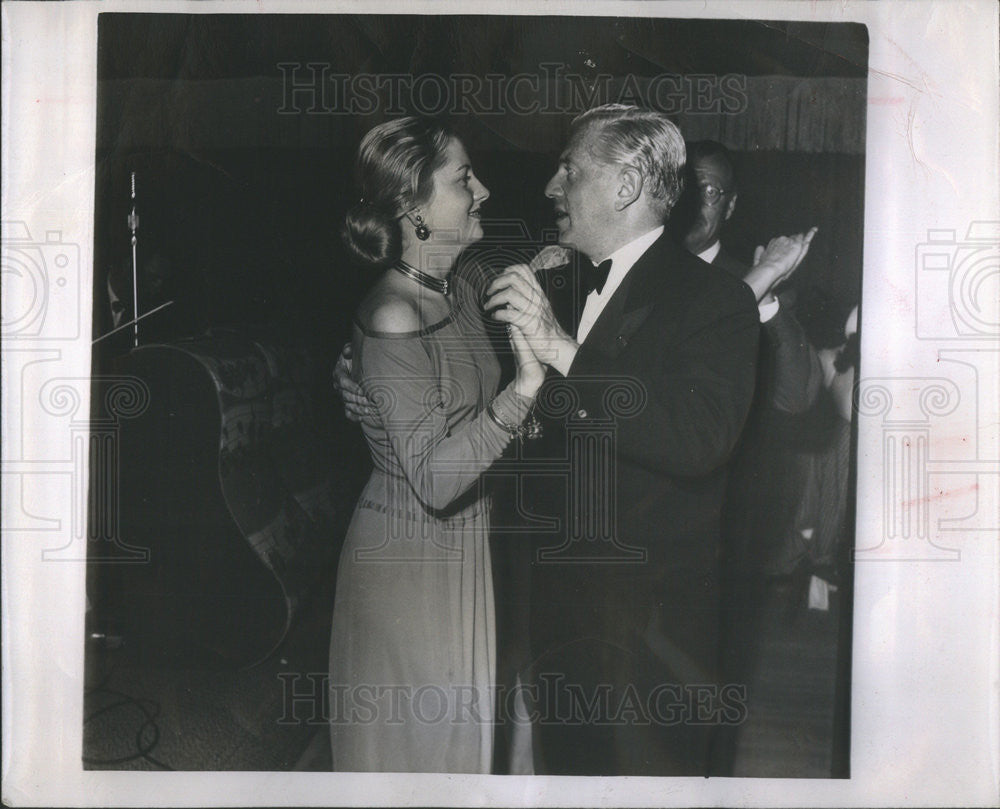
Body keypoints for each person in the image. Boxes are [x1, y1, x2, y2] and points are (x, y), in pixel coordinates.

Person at [482, 105, 816, 776]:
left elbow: (697, 438)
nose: (552, 187)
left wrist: (559, 349)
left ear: (627, 186)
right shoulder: (562, 282)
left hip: (650, 640)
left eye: (569, 169)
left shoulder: (715, 299)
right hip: (557, 619)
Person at [328, 116, 546, 773]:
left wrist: (517, 419)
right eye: (463, 179)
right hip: (409, 559)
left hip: (459, 547)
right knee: (420, 760)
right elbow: (434, 478)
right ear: (412, 209)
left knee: (457, 755)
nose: (482, 190)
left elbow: (466, 417)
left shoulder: (451, 293)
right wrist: (523, 391)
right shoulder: (396, 313)